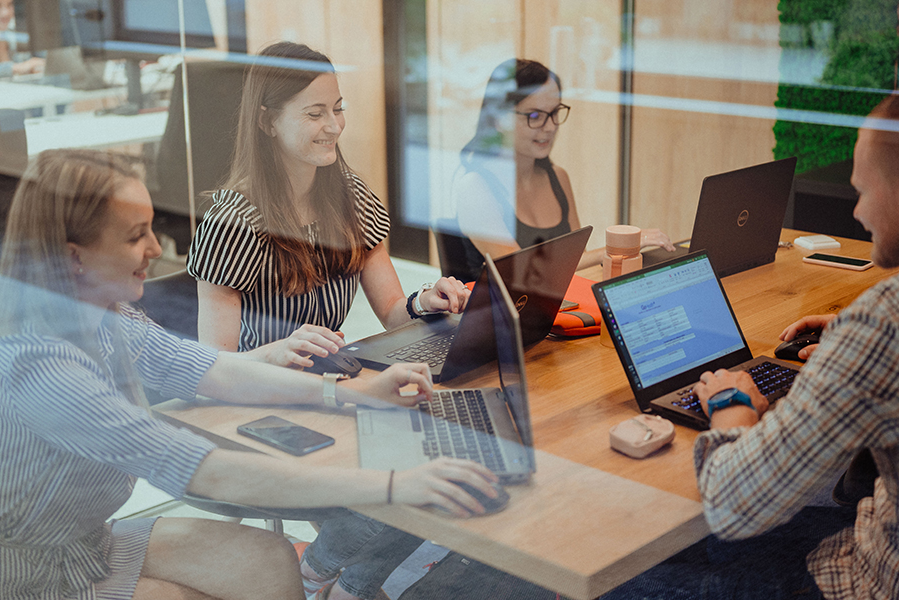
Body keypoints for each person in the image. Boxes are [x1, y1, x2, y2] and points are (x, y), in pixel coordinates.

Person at [0, 148, 499, 600]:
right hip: (17, 580)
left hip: (84, 543)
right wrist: (392, 484)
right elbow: (203, 471)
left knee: (269, 558)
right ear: (74, 257)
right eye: (135, 235)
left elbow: (214, 370)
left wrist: (349, 393)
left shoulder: (105, 317)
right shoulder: (42, 369)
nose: (156, 249)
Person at [603, 94, 899, 599]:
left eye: (864, 191)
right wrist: (854, 342)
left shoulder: (884, 324)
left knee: (623, 572)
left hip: (866, 579)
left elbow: (733, 502)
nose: (858, 210)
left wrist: (731, 401)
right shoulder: (879, 326)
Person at [186, 41, 469, 370]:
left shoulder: (351, 196)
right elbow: (213, 368)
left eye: (338, 108)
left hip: (331, 379)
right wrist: (277, 352)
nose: (335, 126)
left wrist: (424, 302)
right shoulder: (232, 222)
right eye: (315, 113)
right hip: (263, 389)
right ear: (267, 122)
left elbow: (393, 313)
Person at [450, 59, 673, 279]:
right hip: (504, 313)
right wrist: (615, 248)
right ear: (499, 119)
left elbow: (578, 263)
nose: (550, 127)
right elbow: (518, 273)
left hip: (561, 309)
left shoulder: (558, 177)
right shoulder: (475, 187)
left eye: (555, 112)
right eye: (535, 116)